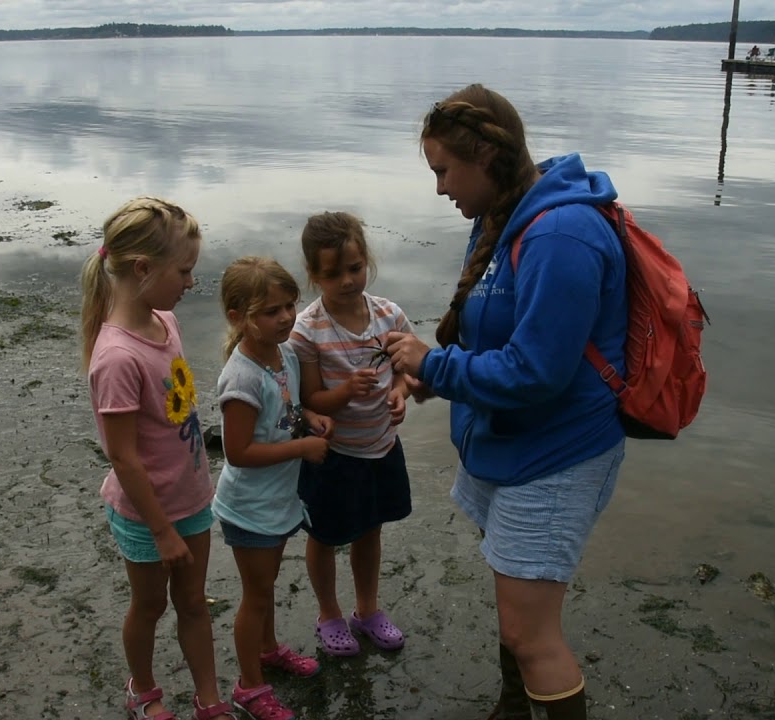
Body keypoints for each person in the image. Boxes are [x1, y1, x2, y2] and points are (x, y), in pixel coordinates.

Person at [385, 84, 628, 720]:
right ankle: (510, 710)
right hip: (510, 443)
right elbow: (493, 336)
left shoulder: (562, 235)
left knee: (530, 634)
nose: (439, 188)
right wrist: (432, 377)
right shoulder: (500, 215)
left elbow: (537, 372)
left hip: (554, 454)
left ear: (484, 157)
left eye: (443, 170)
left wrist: (432, 361)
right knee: (517, 610)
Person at [79, 197, 235, 720]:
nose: (192, 283)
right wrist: (162, 531)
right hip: (147, 516)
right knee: (149, 604)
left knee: (193, 602)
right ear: (143, 269)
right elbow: (122, 458)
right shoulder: (117, 356)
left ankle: (208, 696)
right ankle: (142, 690)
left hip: (190, 499)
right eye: (184, 270)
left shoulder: (166, 322)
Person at [289, 211, 414, 657]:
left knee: (370, 530)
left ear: (367, 261)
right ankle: (328, 614)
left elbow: (405, 375)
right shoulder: (307, 329)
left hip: (380, 447)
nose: (347, 280)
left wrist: (400, 392)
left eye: (355, 268)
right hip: (334, 454)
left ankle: (368, 610)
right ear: (313, 274)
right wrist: (344, 392)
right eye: (333, 273)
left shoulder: (389, 315)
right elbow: (310, 400)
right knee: (323, 537)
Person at [213, 256, 332, 720]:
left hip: (278, 500)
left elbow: (288, 410)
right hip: (248, 507)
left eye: (289, 306)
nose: (285, 317)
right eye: (271, 311)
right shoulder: (241, 377)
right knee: (256, 594)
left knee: (266, 586)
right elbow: (238, 451)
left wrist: (310, 419)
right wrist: (302, 447)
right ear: (238, 317)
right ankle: (249, 686)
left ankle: (266, 650)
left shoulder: (283, 356)